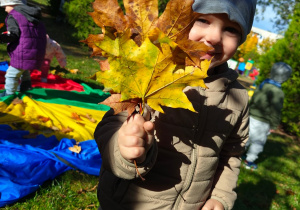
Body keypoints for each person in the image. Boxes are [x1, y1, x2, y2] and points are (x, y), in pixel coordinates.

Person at [94, 0, 257, 209]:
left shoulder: (237, 96)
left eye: (231, 29)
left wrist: (221, 197)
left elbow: (230, 154)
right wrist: (124, 148)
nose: (214, 37)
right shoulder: (148, 69)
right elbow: (112, 123)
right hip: (129, 202)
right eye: (202, 20)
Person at [244, 62, 292, 170]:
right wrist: (274, 125)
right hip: (263, 121)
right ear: (284, 78)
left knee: (246, 136)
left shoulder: (263, 84)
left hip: (251, 116)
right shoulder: (278, 92)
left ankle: (237, 154)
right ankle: (249, 160)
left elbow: (254, 99)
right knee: (258, 142)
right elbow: (275, 111)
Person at [0, 0, 46, 96]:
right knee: (23, 67)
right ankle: (26, 85)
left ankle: (9, 93)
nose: (5, 10)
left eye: (5, 7)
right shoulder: (34, 14)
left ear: (12, 4)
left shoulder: (13, 15)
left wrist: (3, 37)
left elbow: (13, 34)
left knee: (11, 74)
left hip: (23, 50)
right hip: (36, 49)